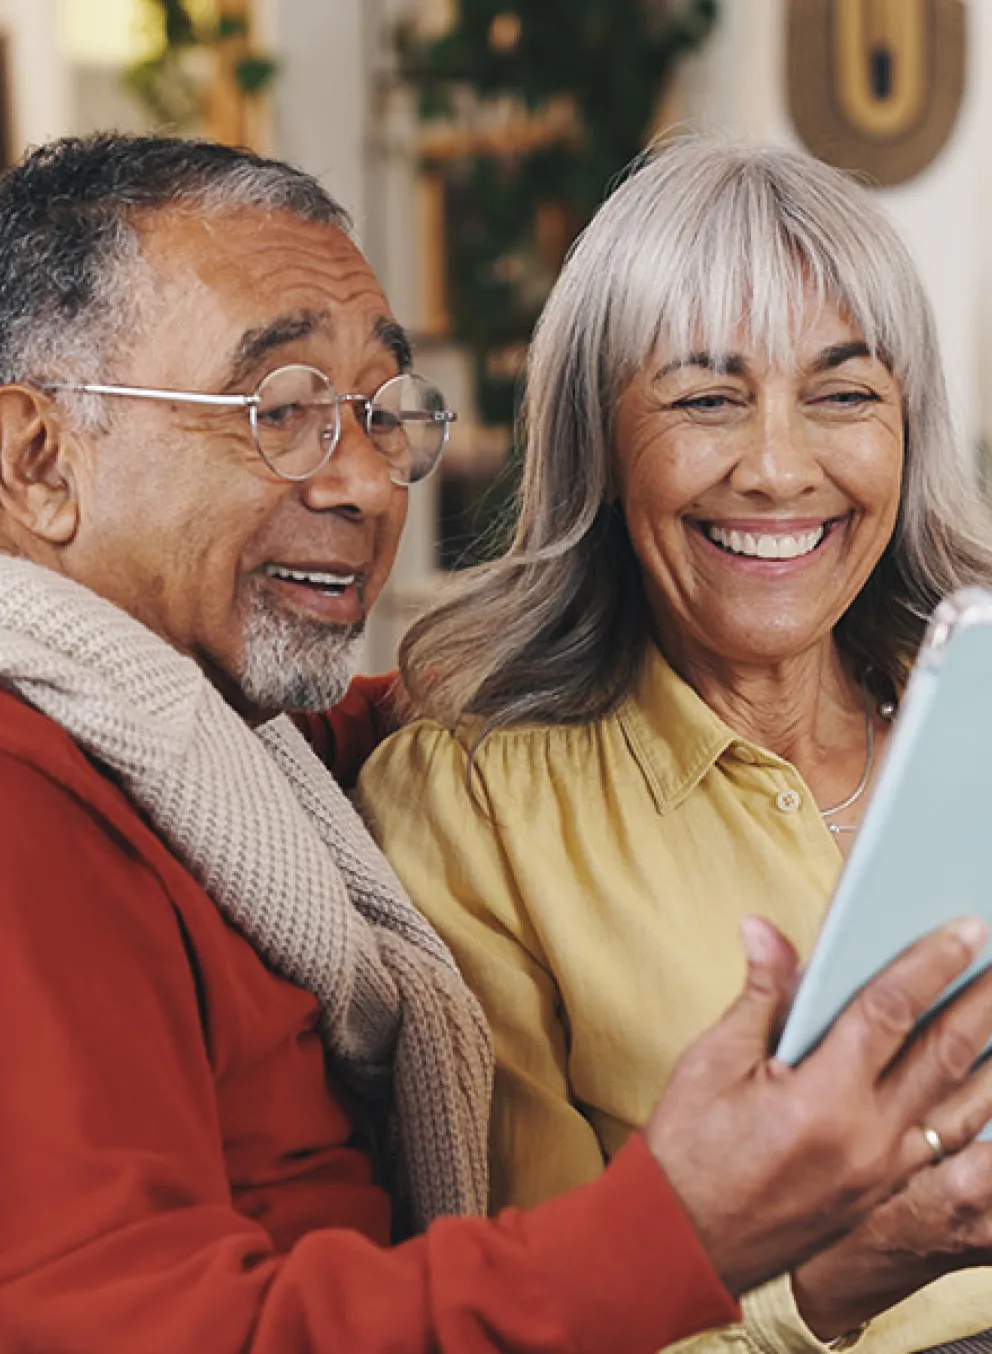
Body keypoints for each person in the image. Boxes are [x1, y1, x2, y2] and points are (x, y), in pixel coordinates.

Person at [0, 133, 988, 1354]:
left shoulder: (232, 741)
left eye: (375, 413)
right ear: (40, 459)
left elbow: (388, 704)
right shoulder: (36, 819)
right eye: (284, 409)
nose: (367, 483)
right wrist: (727, 1237)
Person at [359, 136, 992, 1353]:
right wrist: (835, 1279)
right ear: (599, 443)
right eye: (704, 399)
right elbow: (526, 1323)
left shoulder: (967, 704)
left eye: (842, 394)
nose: (774, 468)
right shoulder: (472, 806)